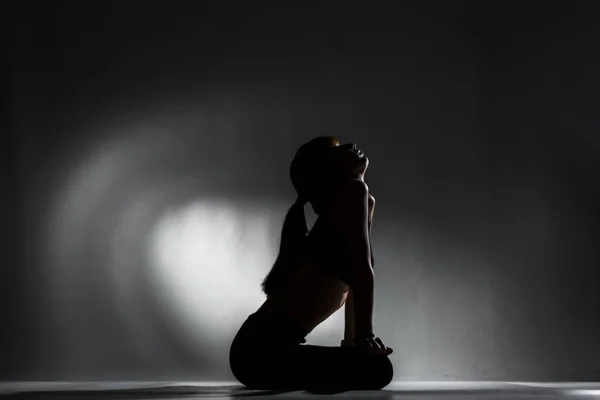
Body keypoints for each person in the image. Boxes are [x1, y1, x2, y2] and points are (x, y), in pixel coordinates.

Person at [229, 136, 394, 391]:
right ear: (330, 170)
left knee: (374, 367)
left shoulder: (354, 202)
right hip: (258, 353)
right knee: (377, 370)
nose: (350, 145)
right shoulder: (352, 193)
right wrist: (364, 339)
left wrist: (355, 345)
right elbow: (361, 273)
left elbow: (356, 285)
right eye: (337, 149)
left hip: (254, 351)